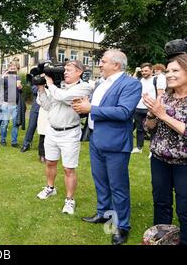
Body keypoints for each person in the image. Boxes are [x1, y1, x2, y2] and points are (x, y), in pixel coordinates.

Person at [72, 49, 142, 245]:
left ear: (116, 65)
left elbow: (124, 111)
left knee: (118, 186)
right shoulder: (102, 83)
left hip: (115, 143)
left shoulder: (131, 84)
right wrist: (83, 108)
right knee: (100, 181)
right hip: (96, 139)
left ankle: (122, 226)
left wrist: (91, 109)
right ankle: (103, 214)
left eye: (103, 62)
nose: (100, 64)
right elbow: (98, 109)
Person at [35, 60, 91, 215]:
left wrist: (50, 84)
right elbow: (47, 106)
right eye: (64, 69)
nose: (65, 72)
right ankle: (50, 188)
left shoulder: (84, 87)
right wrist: (41, 89)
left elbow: (64, 97)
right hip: (52, 131)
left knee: (68, 169)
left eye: (69, 70)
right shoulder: (59, 87)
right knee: (50, 162)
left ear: (79, 72)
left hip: (70, 133)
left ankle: (69, 199)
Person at [143, 53, 187, 245]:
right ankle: (160, 239)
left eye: (175, 70)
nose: (169, 75)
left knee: (185, 207)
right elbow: (148, 128)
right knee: (161, 202)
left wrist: (163, 115)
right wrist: (152, 115)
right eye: (167, 71)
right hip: (159, 159)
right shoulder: (165, 98)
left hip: (184, 163)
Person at [0, 61, 24, 147]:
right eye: (11, 69)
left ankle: (14, 142)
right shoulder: (5, 78)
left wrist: (20, 88)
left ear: (17, 70)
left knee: (15, 124)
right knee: (5, 123)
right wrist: (3, 75)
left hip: (15, 105)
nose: (12, 70)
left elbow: (20, 92)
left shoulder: (18, 78)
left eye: (14, 69)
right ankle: (2, 140)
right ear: (8, 69)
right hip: (6, 104)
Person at [131, 63, 157, 154]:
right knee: (139, 129)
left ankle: (152, 150)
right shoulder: (140, 80)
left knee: (153, 130)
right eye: (142, 71)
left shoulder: (156, 80)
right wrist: (135, 72)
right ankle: (139, 147)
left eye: (146, 71)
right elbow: (131, 82)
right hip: (138, 108)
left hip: (150, 108)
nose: (144, 72)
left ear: (151, 70)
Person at [21, 84, 40, 152]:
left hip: (47, 109)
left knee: (45, 129)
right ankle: (26, 144)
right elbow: (34, 89)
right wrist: (42, 85)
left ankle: (42, 147)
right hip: (36, 108)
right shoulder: (38, 77)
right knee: (31, 126)